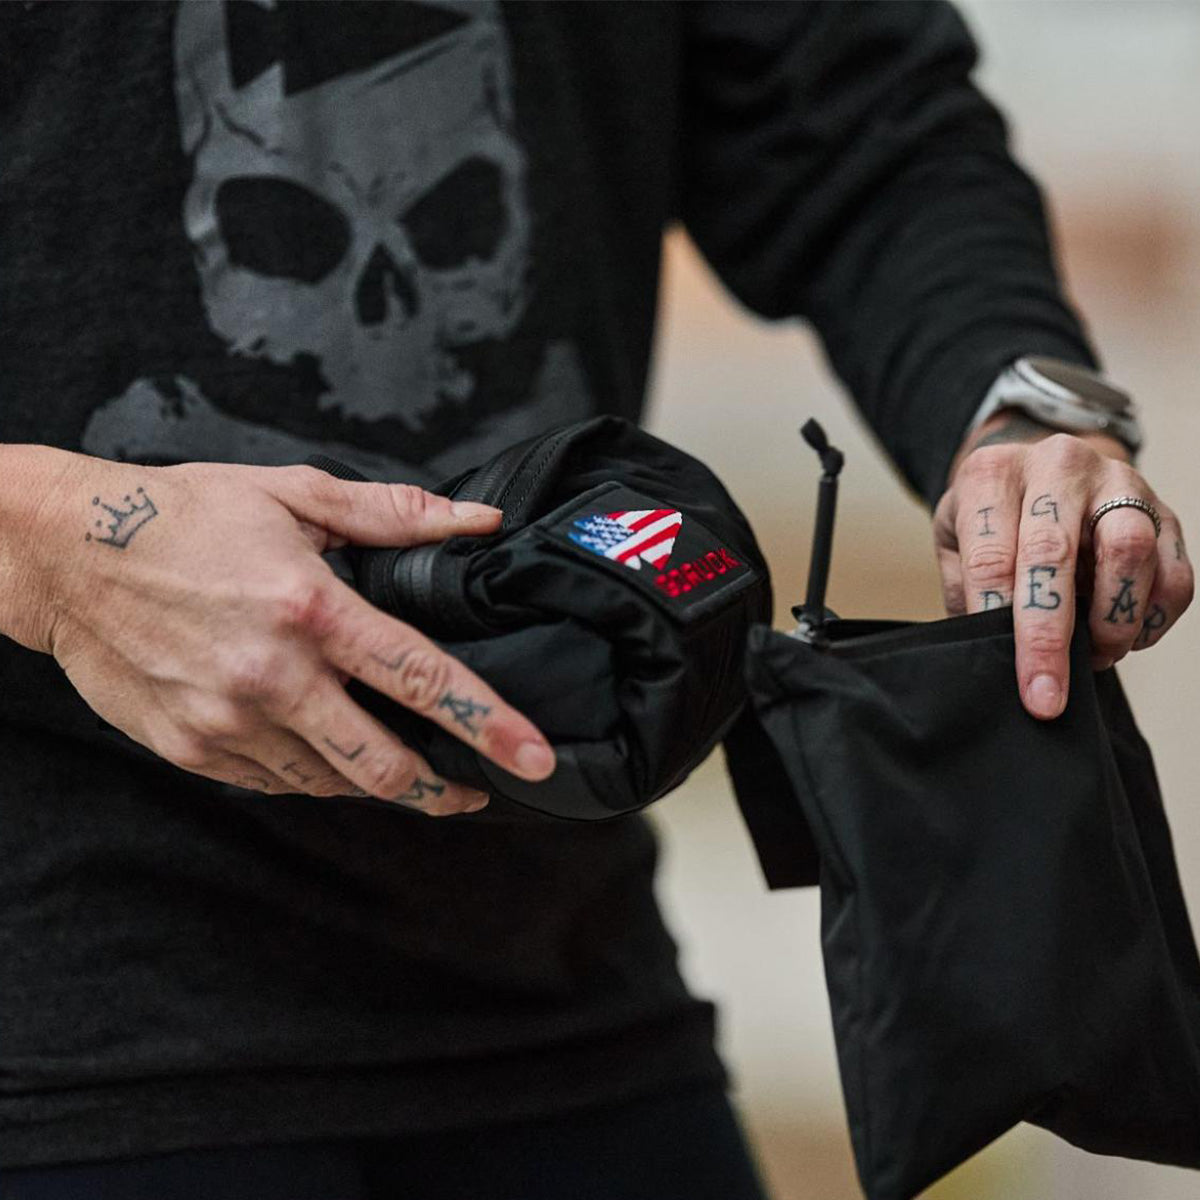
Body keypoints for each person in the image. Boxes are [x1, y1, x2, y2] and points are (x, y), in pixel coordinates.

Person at [0, 1, 1191, 1196]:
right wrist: (45, 546)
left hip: (574, 998)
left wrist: (1023, 408)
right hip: (56, 1055)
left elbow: (856, 122)